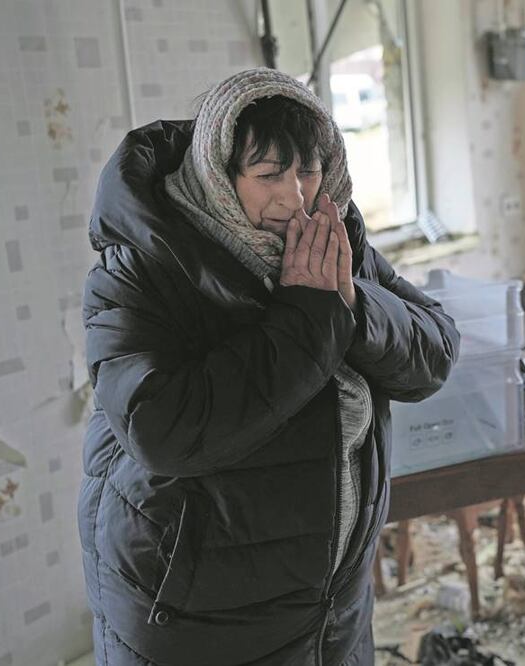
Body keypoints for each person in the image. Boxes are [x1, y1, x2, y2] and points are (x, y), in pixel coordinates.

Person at [79, 68, 459, 664]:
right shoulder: (143, 266)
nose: (295, 197)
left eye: (308, 171)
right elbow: (163, 430)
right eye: (268, 175)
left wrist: (353, 305)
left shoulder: (333, 236)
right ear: (218, 174)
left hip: (330, 604)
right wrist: (309, 315)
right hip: (199, 612)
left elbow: (434, 353)